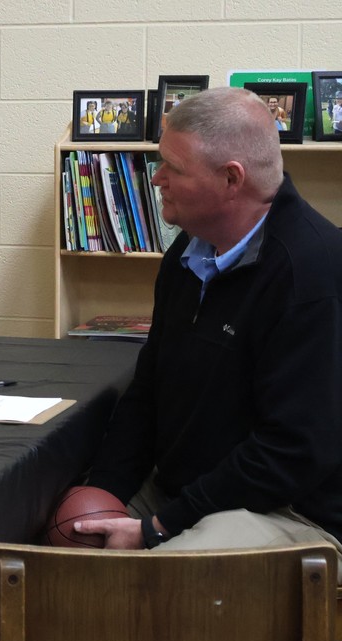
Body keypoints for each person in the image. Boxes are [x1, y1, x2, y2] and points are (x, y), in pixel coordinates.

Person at [75, 87, 342, 558]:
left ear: (231, 179)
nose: (157, 180)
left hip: (291, 509)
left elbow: (293, 450)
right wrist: (105, 493)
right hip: (190, 493)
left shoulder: (313, 272)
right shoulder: (185, 253)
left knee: (158, 580)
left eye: (173, 168)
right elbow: (148, 391)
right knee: (63, 534)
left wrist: (158, 528)